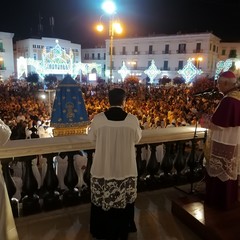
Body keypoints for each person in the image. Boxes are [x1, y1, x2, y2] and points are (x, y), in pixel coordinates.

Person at [88, 88, 142, 240]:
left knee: (101, 202)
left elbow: (91, 138)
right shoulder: (132, 120)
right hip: (125, 167)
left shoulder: (98, 119)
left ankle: (100, 230)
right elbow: (137, 139)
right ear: (124, 101)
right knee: (124, 201)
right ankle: (122, 229)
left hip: (103, 166)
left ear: (108, 100)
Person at [204, 70, 240, 210]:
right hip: (234, 141)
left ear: (225, 83)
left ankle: (218, 201)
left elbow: (219, 125)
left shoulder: (229, 100)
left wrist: (205, 122)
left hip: (223, 141)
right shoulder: (236, 96)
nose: (217, 85)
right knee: (229, 174)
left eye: (219, 83)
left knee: (221, 172)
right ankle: (229, 200)